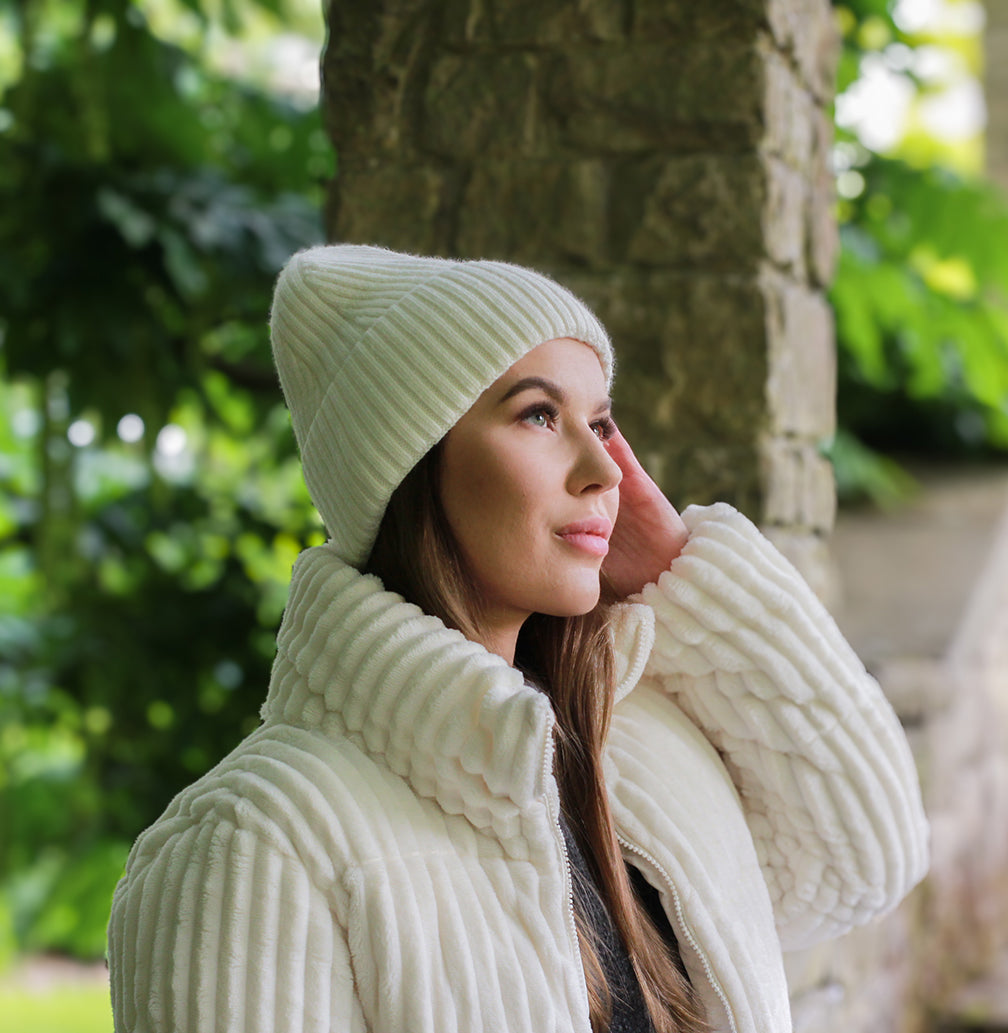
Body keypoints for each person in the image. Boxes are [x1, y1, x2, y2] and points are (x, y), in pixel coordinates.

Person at [108, 244, 929, 1033]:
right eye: (538, 414)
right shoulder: (254, 840)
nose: (605, 469)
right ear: (410, 467)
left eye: (600, 422)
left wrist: (675, 571)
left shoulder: (633, 736)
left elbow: (866, 858)